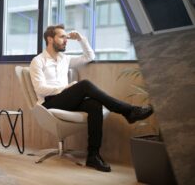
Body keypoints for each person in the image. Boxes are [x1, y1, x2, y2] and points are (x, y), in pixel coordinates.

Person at [29, 24, 153, 172]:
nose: (66, 40)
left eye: (66, 37)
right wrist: (65, 88)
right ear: (50, 39)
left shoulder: (65, 59)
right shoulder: (38, 61)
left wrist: (81, 39)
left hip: (65, 100)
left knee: (94, 104)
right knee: (85, 85)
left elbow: (90, 56)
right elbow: (40, 89)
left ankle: (93, 156)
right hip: (50, 103)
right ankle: (129, 111)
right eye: (62, 37)